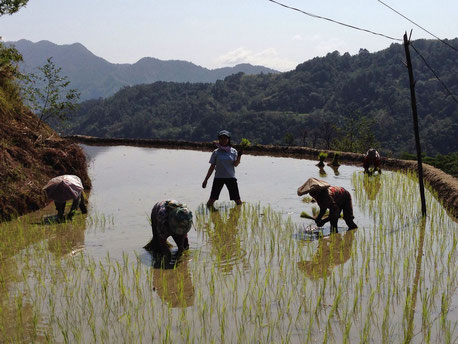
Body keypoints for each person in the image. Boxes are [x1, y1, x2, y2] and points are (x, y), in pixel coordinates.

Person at [144, 200, 193, 265]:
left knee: (184, 245)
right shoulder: (162, 219)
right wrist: (167, 254)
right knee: (158, 244)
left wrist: (181, 249)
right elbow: (161, 239)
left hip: (176, 219)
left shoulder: (185, 217)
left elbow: (183, 237)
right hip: (157, 211)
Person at [202, 130, 242, 207]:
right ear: (219, 139)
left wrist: (239, 156)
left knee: (238, 201)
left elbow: (235, 164)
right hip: (218, 178)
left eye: (225, 138)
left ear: (228, 139)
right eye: (221, 138)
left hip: (230, 178)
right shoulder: (216, 152)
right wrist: (206, 179)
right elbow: (212, 167)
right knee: (211, 201)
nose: (223, 140)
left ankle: (236, 217)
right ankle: (210, 216)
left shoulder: (233, 151)